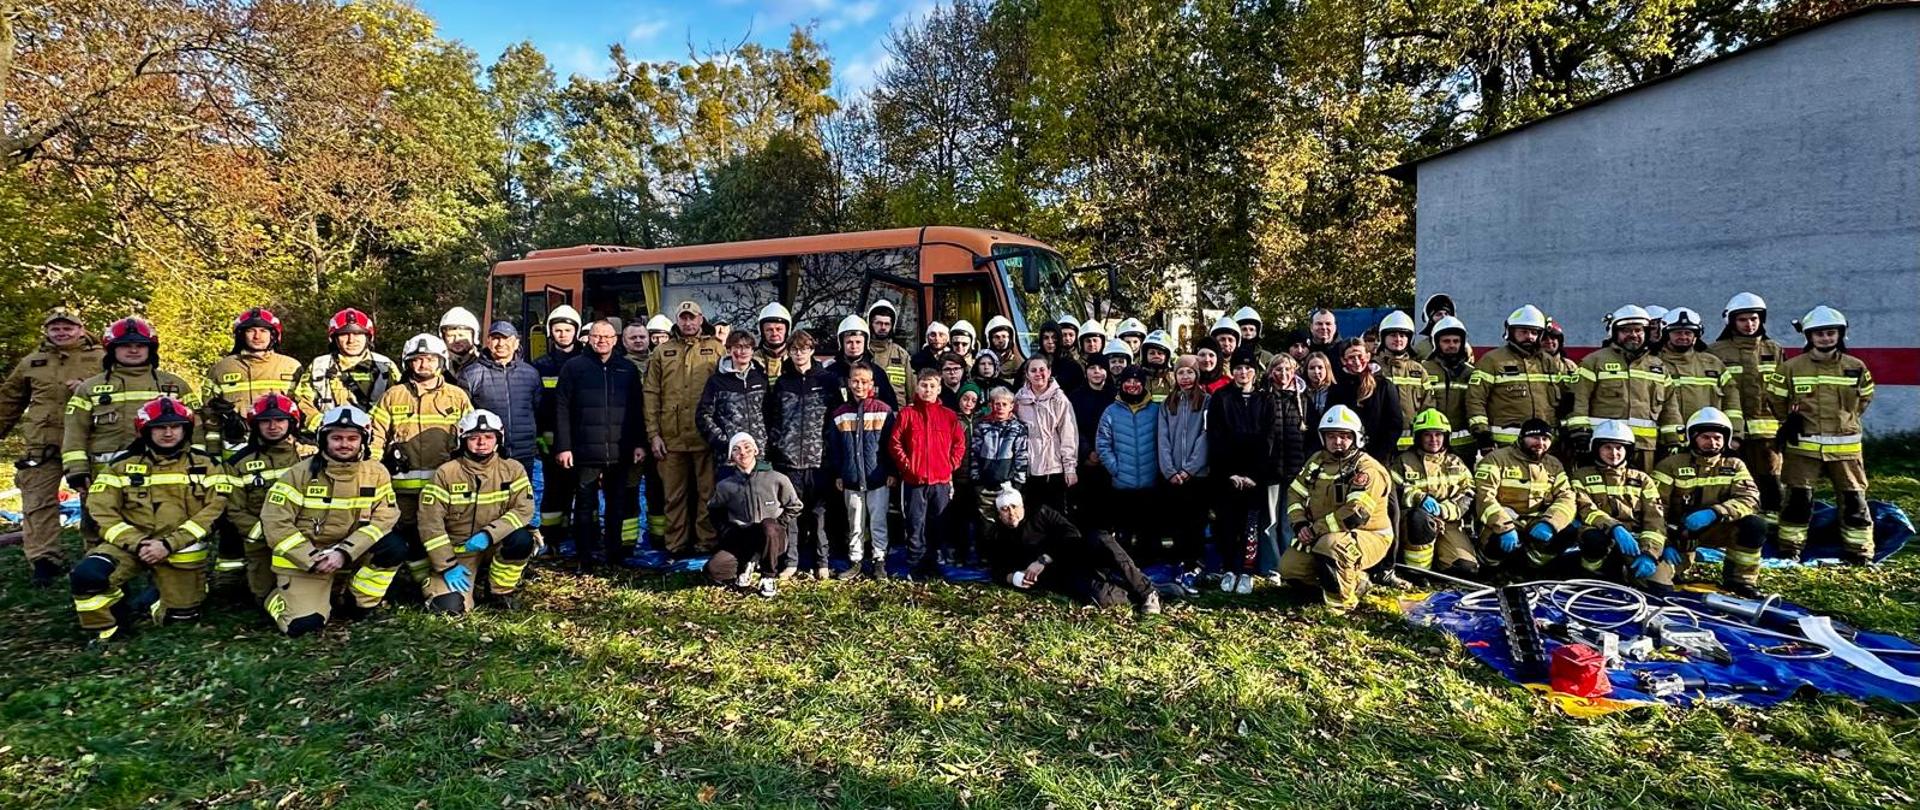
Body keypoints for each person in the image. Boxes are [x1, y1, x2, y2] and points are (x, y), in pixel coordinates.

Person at [70, 398, 231, 643]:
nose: (168, 433)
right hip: (131, 546)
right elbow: (100, 511)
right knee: (88, 576)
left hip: (180, 549)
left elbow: (215, 511)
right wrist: (138, 543)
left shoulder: (207, 465)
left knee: (181, 619)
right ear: (145, 430)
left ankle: (160, 595)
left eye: (175, 426)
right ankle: (108, 627)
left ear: (186, 429)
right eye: (160, 427)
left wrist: (168, 544)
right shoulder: (120, 467)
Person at [259, 405, 404, 635]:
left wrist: (344, 552)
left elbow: (385, 517)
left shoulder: (376, 473)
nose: (344, 444)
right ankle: (276, 598)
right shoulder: (299, 474)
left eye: (352, 438)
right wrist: (311, 558)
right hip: (308, 561)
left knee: (394, 547)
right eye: (336, 438)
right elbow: (275, 522)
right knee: (303, 627)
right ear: (323, 439)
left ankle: (357, 600)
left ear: (364, 440)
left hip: (350, 554)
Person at [62, 317, 202, 549]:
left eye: (140, 345)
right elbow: (75, 431)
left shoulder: (174, 385)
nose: (134, 350)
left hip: (164, 472)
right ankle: (100, 566)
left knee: (164, 520)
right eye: (126, 345)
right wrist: (76, 469)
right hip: (104, 473)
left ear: (151, 349)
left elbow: (196, 427)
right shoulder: (90, 388)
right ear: (112, 349)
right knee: (101, 525)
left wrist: (198, 464)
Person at [0, 307, 103, 586]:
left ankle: (98, 554)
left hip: (88, 443)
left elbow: (120, 393)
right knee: (38, 502)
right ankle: (44, 560)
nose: (61, 333)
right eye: (55, 328)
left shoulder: (102, 358)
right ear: (46, 331)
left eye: (67, 327)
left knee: (96, 500)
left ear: (81, 330)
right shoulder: (32, 362)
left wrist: (88, 388)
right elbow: (9, 400)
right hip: (42, 445)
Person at [1770, 306, 1875, 563]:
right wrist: (1788, 420)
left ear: (1840, 334)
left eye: (1830, 333)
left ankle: (1860, 552)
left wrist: (1846, 421)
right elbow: (1775, 399)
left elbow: (1864, 399)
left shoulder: (1855, 367)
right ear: (1809, 336)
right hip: (1802, 447)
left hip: (1846, 449)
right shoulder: (1791, 367)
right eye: (1819, 334)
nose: (1825, 338)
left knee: (1854, 500)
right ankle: (1790, 550)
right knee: (1798, 500)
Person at [369, 333, 472, 584]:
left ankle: (442, 576)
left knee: (442, 530)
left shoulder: (457, 396)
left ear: (441, 361)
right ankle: (420, 582)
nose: (424, 364)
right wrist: (372, 473)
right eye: (417, 359)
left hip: (443, 486)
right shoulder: (393, 395)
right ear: (407, 363)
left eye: (430, 359)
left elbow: (470, 437)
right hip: (403, 488)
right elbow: (376, 436)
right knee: (410, 532)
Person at [416, 409, 536, 613]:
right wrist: (447, 565)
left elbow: (524, 509)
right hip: (459, 551)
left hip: (496, 544)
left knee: (521, 540)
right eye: (474, 438)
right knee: (448, 608)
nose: (482, 443)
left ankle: (499, 591)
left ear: (499, 439)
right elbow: (430, 523)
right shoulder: (446, 473)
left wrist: (489, 535)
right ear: (462, 440)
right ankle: (439, 582)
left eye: (489, 437)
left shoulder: (513, 469)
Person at [1281, 405, 1392, 613]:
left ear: (1356, 438)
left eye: (1344, 436)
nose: (1337, 441)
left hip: (1369, 535)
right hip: (1322, 533)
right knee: (1290, 568)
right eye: (1331, 436)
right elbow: (1295, 493)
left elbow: (1355, 514)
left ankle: (1341, 606)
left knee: (1331, 546)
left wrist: (1315, 530)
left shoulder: (1367, 469)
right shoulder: (1317, 461)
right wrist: (1300, 524)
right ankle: (1351, 581)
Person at [986, 488, 1160, 614]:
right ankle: (1138, 594)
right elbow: (997, 569)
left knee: (1101, 538)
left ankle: (1147, 591)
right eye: (1005, 509)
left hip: (1077, 552)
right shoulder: (997, 535)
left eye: (1015, 506)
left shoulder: (1041, 513)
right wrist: (1014, 577)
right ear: (999, 514)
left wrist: (1043, 559)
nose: (1011, 513)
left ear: (1022, 506)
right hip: (1064, 575)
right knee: (1101, 598)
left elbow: (1070, 533)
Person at [558, 320, 648, 565]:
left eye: (607, 337)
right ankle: (584, 555)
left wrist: (639, 443)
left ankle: (614, 554)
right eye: (597, 336)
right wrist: (564, 447)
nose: (602, 341)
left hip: (620, 449)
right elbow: (562, 408)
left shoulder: (627, 369)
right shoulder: (574, 367)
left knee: (616, 505)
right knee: (585, 505)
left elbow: (637, 409)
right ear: (588, 339)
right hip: (584, 449)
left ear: (615, 340)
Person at [1654, 407, 1766, 594]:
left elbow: (1750, 499)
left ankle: (1741, 581)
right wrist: (1665, 542)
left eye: (1717, 438)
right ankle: (1677, 569)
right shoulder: (1670, 465)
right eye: (1705, 437)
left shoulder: (1735, 465)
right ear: (1692, 437)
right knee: (1661, 581)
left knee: (1755, 525)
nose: (1712, 443)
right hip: (1680, 532)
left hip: (1719, 526)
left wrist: (1715, 512)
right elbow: (1655, 507)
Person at [645, 301, 726, 556]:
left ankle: (706, 543)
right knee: (674, 496)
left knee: (707, 494)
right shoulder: (662, 352)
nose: (688, 323)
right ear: (677, 321)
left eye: (693, 318)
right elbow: (651, 393)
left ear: (701, 319)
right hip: (671, 438)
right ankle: (676, 545)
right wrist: (653, 434)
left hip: (705, 438)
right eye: (684, 318)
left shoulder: (717, 348)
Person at [221, 393, 308, 606]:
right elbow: (234, 510)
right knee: (265, 597)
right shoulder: (238, 463)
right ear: (255, 425)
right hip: (262, 542)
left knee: (306, 593)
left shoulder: (310, 455)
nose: (273, 426)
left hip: (306, 537)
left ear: (291, 423)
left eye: (279, 420)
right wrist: (268, 533)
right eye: (265, 421)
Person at [1709, 292, 1785, 530]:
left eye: (1754, 319)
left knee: (1770, 478)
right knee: (1734, 478)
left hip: (1768, 433)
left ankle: (1772, 526)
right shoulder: (1716, 351)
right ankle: (1737, 522)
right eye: (1743, 319)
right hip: (1732, 432)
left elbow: (1785, 389)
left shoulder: (1774, 349)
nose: (1749, 324)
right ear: (1731, 321)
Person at [1567, 305, 1677, 470]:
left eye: (1638, 330)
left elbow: (1670, 408)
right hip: (1606, 445)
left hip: (1644, 447)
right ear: (1614, 333)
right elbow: (1579, 399)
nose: (1633, 335)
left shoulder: (1658, 366)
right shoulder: (1594, 361)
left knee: (1642, 485)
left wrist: (1672, 440)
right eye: (1626, 330)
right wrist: (1580, 432)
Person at [1566, 419, 1667, 588]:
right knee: (1595, 542)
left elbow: (1655, 519)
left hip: (1635, 543)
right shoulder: (1581, 476)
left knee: (1660, 589)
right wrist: (1615, 528)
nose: (1614, 453)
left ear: (1628, 450)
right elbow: (1585, 509)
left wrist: (1650, 553)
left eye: (1619, 448)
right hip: (1599, 536)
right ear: (1596, 449)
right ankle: (1589, 576)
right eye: (1607, 447)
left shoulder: (1642, 479)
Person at [766, 330, 834, 579]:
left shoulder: (827, 380)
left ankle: (822, 562)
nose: (799, 354)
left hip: (819, 460)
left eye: (804, 349)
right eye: (794, 350)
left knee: (819, 514)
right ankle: (791, 562)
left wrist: (828, 451)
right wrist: (777, 448)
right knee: (791, 513)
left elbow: (834, 420)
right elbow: (773, 418)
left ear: (812, 350)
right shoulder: (782, 382)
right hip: (789, 461)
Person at [702, 432, 802, 596]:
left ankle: (768, 576)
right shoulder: (725, 485)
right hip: (743, 539)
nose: (743, 453)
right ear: (731, 457)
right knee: (714, 569)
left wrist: (779, 523)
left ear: (756, 450)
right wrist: (727, 530)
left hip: (772, 538)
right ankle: (747, 564)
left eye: (747, 447)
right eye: (736, 449)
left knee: (768, 525)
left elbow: (795, 506)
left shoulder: (777, 478)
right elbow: (714, 510)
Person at [890, 369, 967, 578]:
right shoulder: (907, 414)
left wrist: (950, 465)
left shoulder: (949, 416)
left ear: (939, 389)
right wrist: (907, 466)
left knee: (938, 523)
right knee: (915, 523)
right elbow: (895, 443)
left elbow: (959, 444)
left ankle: (934, 562)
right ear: (917, 387)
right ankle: (915, 565)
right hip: (914, 481)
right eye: (924, 385)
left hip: (940, 481)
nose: (928, 390)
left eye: (933, 386)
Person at [1473, 418, 1577, 573]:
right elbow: (1484, 497)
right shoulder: (1496, 459)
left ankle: (1532, 567)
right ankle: (1490, 569)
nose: (1540, 443)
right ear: (1521, 438)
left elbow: (1567, 497)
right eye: (1535, 437)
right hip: (1503, 522)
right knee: (1495, 545)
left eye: (1545, 439)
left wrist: (1550, 523)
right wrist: (1505, 527)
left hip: (1536, 523)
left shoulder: (1554, 464)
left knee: (1568, 533)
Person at [1209, 351, 1274, 594]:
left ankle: (1247, 571)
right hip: (1228, 475)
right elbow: (1215, 436)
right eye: (1238, 368)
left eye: (1247, 368)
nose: (1243, 372)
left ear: (1255, 372)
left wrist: (1255, 475)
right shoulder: (1221, 397)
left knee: (1251, 525)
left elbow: (1268, 438)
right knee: (1227, 523)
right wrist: (1229, 473)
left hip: (1254, 476)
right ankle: (1229, 568)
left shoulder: (1265, 399)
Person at [458, 321, 542, 510]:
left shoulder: (530, 374)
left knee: (522, 502)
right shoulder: (471, 374)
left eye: (506, 339)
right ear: (488, 341)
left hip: (524, 451)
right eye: (495, 338)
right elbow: (463, 417)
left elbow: (538, 410)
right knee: (489, 504)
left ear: (516, 342)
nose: (501, 344)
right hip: (487, 453)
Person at [827, 364, 896, 580]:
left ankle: (879, 560)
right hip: (851, 478)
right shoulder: (840, 414)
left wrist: (891, 471)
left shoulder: (883, 411)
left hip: (878, 477)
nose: (859, 385)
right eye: (855, 381)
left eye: (864, 381)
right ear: (849, 383)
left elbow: (891, 445)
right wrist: (839, 474)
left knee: (878, 521)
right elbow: (835, 448)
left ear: (872, 384)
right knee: (855, 522)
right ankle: (855, 560)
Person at [202, 308, 300, 460]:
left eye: (263, 331)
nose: (257, 336)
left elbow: (302, 408)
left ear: (273, 335)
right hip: (236, 444)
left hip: (282, 446)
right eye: (251, 331)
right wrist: (213, 454)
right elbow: (208, 414)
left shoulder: (291, 367)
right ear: (241, 335)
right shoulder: (222, 368)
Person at [1393, 409, 1476, 577]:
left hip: (1448, 522)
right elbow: (1395, 488)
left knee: (1466, 569)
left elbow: (1468, 493)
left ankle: (1440, 558)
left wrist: (1445, 509)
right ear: (1418, 437)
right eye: (1427, 435)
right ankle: (1418, 572)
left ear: (1446, 437)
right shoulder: (1404, 461)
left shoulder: (1455, 462)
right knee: (1418, 519)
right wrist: (1419, 498)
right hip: (1415, 521)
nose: (1433, 440)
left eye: (1438, 434)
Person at [1466, 305, 1562, 451]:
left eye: (1534, 332)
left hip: (1544, 446)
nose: (1529, 336)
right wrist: (1482, 434)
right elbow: (1475, 399)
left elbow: (1565, 400)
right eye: (1523, 332)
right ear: (1510, 332)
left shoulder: (1548, 362)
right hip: (1505, 446)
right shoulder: (1492, 360)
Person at [534, 305, 586, 556]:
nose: (563, 334)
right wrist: (540, 439)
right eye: (558, 330)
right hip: (551, 440)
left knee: (584, 489)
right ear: (550, 332)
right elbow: (536, 405)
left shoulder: (587, 362)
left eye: (567, 330)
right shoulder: (540, 366)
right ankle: (551, 536)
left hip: (582, 438)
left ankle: (585, 534)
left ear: (576, 331)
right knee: (554, 489)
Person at [1656, 307, 1740, 459]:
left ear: (1696, 335)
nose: (1683, 337)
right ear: (1666, 334)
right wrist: (1670, 439)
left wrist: (1735, 435)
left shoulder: (1712, 364)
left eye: (1688, 333)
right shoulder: (1655, 364)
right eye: (1677, 333)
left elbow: (1732, 402)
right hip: (1665, 442)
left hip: (1709, 441)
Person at [294, 308, 398, 428]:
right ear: (334, 339)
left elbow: (400, 399)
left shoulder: (385, 365)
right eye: (344, 334)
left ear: (368, 337)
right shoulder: (319, 365)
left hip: (374, 434)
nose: (351, 340)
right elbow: (302, 400)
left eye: (358, 333)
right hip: (330, 434)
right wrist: (321, 424)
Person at [1157, 355, 1209, 590]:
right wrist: (1170, 470)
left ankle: (1194, 566)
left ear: (1197, 375)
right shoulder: (1168, 404)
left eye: (1190, 372)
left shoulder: (1206, 401)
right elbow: (1163, 439)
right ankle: (1177, 563)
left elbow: (1205, 437)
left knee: (1195, 523)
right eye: (1181, 373)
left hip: (1197, 476)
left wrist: (1189, 469)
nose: (1185, 377)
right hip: (1173, 475)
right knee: (1176, 522)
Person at [1096, 366, 1161, 549]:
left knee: (1147, 533)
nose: (1132, 385)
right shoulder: (1111, 411)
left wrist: (1158, 468)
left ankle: (1148, 563)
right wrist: (1115, 468)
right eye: (1128, 381)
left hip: (1150, 483)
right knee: (1124, 533)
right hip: (1122, 485)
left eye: (1137, 381)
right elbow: (1102, 444)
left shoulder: (1156, 410)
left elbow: (1164, 441)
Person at [1260, 354, 1311, 578]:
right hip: (1270, 470)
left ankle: (1290, 566)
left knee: (1289, 521)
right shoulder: (1263, 397)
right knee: (1270, 522)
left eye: (1288, 370)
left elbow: (1310, 436)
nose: (1283, 374)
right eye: (1278, 370)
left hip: (1295, 471)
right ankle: (1272, 566)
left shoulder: (1303, 399)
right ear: (1271, 372)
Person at [696, 330, 771, 474]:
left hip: (758, 454)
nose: (742, 351)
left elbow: (770, 413)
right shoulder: (717, 381)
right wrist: (725, 442)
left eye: (747, 347)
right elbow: (703, 416)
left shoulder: (761, 378)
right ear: (729, 350)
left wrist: (765, 441)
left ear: (752, 350)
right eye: (737, 347)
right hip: (729, 457)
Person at [1014, 357, 1078, 513]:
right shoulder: (1019, 400)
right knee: (1032, 516)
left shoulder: (1059, 399)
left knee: (1056, 515)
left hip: (1054, 468)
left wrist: (1070, 467)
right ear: (1027, 374)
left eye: (1042, 370)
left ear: (1049, 372)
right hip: (1029, 469)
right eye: (1033, 370)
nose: (1038, 374)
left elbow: (1068, 434)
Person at [971, 386, 1030, 539]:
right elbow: (974, 454)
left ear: (1011, 406)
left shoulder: (1018, 428)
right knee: (987, 524)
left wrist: (1018, 483)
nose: (1000, 407)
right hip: (985, 484)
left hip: (1008, 484)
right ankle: (987, 551)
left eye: (1004, 404)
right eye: (997, 404)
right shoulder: (982, 426)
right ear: (991, 405)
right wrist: (976, 480)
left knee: (1010, 521)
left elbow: (1022, 457)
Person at [1330, 339, 1403, 463]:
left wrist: (1378, 456)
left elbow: (1394, 424)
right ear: (1343, 360)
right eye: (1351, 357)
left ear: (1368, 356)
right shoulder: (1337, 387)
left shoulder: (1384, 385)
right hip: (1345, 457)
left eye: (1360, 356)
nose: (1357, 361)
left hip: (1378, 457)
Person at [1420, 316, 1478, 464]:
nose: (1452, 345)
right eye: (1446, 341)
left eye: (1456, 341)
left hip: (1464, 447)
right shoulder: (1423, 370)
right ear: (1436, 343)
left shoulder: (1471, 373)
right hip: (1431, 443)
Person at [1067, 355, 1116, 516]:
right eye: (1092, 368)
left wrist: (1106, 454)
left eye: (1101, 368)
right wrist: (1087, 452)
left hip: (1111, 461)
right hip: (1084, 461)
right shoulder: (1075, 397)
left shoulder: (1115, 396)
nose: (1096, 372)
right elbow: (1072, 428)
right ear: (1086, 371)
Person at [1375, 311, 1429, 451]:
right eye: (1393, 335)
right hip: (1380, 443)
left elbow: (1428, 404)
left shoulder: (1418, 370)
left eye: (1403, 335)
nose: (1398, 339)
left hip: (1412, 445)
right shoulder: (1373, 367)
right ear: (1383, 338)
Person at [827, 314, 900, 408]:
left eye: (858, 342)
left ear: (865, 343)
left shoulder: (877, 373)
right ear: (842, 343)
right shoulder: (831, 373)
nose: (854, 346)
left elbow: (891, 407)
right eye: (849, 342)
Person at [866, 299, 915, 396]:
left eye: (887, 324)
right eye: (878, 323)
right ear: (870, 324)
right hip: (869, 405)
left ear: (892, 326)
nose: (883, 327)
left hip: (897, 405)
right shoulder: (862, 351)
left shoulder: (901, 354)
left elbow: (911, 392)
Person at [1413, 294, 1469, 359]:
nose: (1444, 317)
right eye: (1439, 314)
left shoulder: (1464, 347)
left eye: (1446, 314)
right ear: (1430, 320)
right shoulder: (1421, 348)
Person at [1301, 352, 1335, 453]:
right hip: (1308, 446)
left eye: (1320, 367)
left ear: (1327, 369)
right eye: (1312, 368)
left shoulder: (1337, 392)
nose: (1316, 371)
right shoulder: (1300, 393)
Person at [439, 306, 483, 378]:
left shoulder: (486, 363)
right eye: (451, 335)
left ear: (474, 336)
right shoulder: (435, 364)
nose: (456, 340)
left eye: (461, 335)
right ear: (443, 337)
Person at [754, 303, 793, 379]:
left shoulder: (798, 358)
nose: (774, 334)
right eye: (769, 330)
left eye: (779, 329)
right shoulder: (751, 360)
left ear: (787, 330)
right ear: (762, 332)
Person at [1142, 331, 1176, 402]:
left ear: (1167, 357)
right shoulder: (1139, 377)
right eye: (1152, 353)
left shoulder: (1173, 379)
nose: (1156, 356)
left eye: (1160, 353)